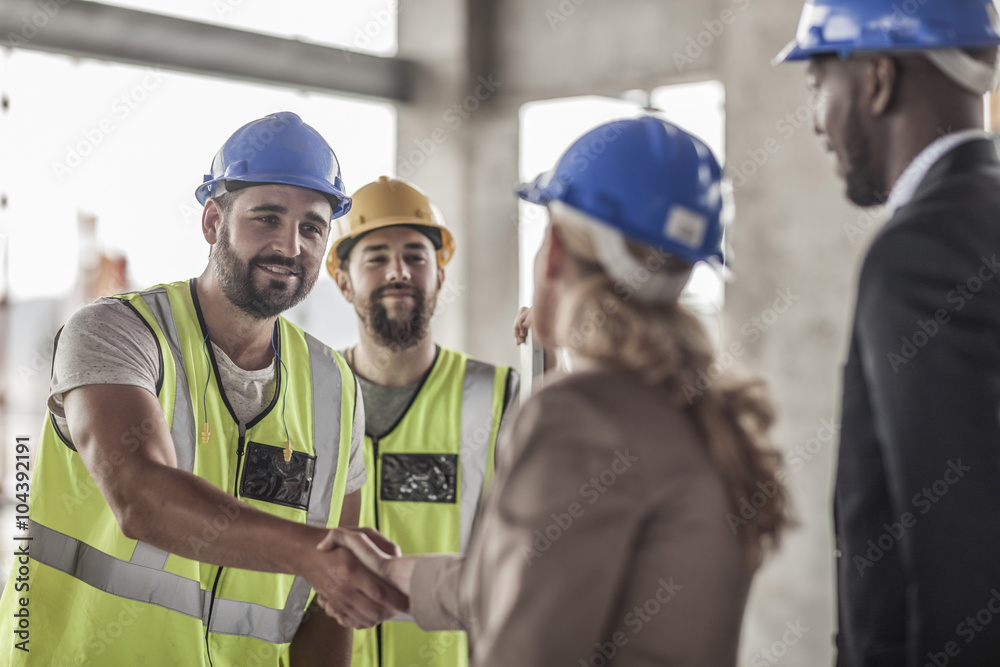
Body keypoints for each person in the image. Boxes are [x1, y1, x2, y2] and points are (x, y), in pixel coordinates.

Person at [319, 117, 790, 666]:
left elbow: (530, 642)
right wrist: (400, 574)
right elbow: (546, 580)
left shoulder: (577, 414)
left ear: (559, 252)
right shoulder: (697, 405)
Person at [0, 111, 407, 667]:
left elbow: (327, 602)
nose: (290, 246)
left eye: (311, 227)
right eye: (267, 218)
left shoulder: (334, 387)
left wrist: (332, 566)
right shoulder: (118, 332)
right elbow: (140, 495)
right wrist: (314, 554)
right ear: (213, 221)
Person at [776, 2, 1000, 664]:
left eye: (819, 85)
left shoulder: (918, 253)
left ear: (877, 79)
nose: (817, 121)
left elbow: (960, 555)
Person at [326, 175, 517, 667]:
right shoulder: (307, 393)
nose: (399, 272)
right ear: (343, 280)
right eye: (376, 258)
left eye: (416, 256)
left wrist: (557, 357)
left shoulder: (500, 397)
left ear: (440, 276)